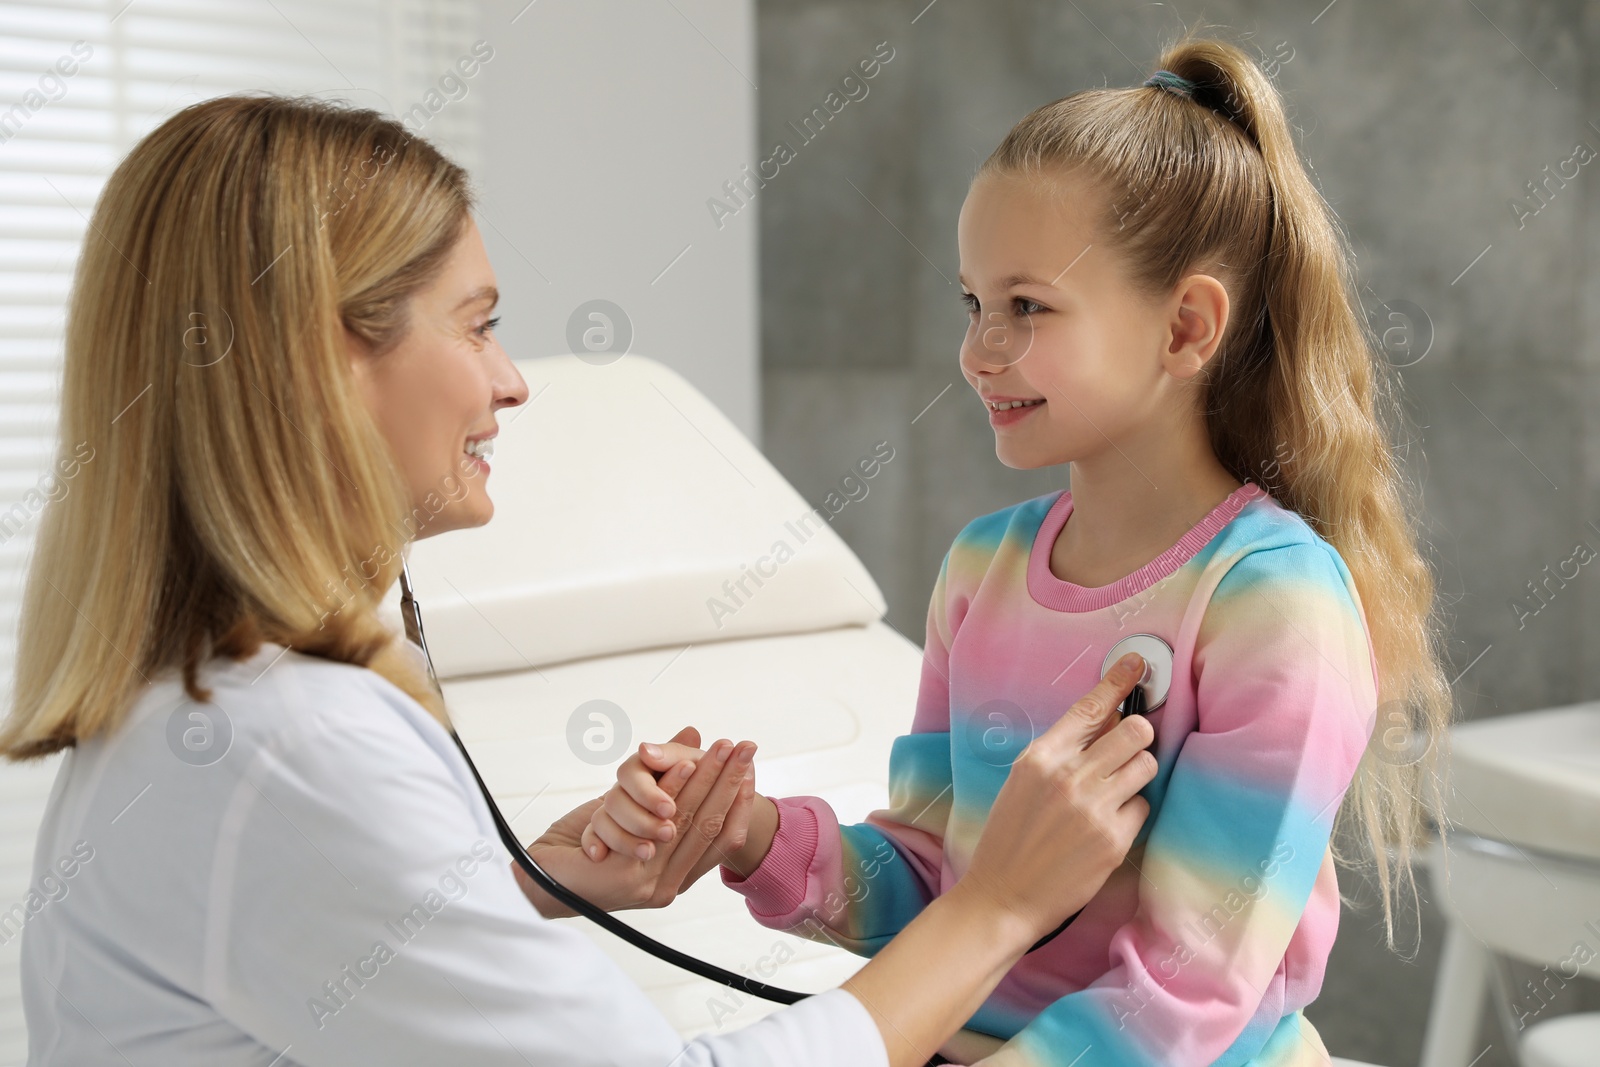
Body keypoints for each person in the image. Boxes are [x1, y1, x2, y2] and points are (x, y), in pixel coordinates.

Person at [0, 94, 1162, 1067]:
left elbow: (323, 961)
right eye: (479, 325)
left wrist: (529, 884)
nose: (512, 382)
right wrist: (996, 906)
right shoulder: (288, 745)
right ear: (322, 356)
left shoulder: (214, 715)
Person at [579, 33, 1454, 1066]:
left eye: (1026, 306)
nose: (977, 348)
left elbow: (1185, 992)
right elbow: (936, 885)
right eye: (973, 302)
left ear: (1184, 330)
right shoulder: (981, 570)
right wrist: (757, 835)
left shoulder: (1269, 602)